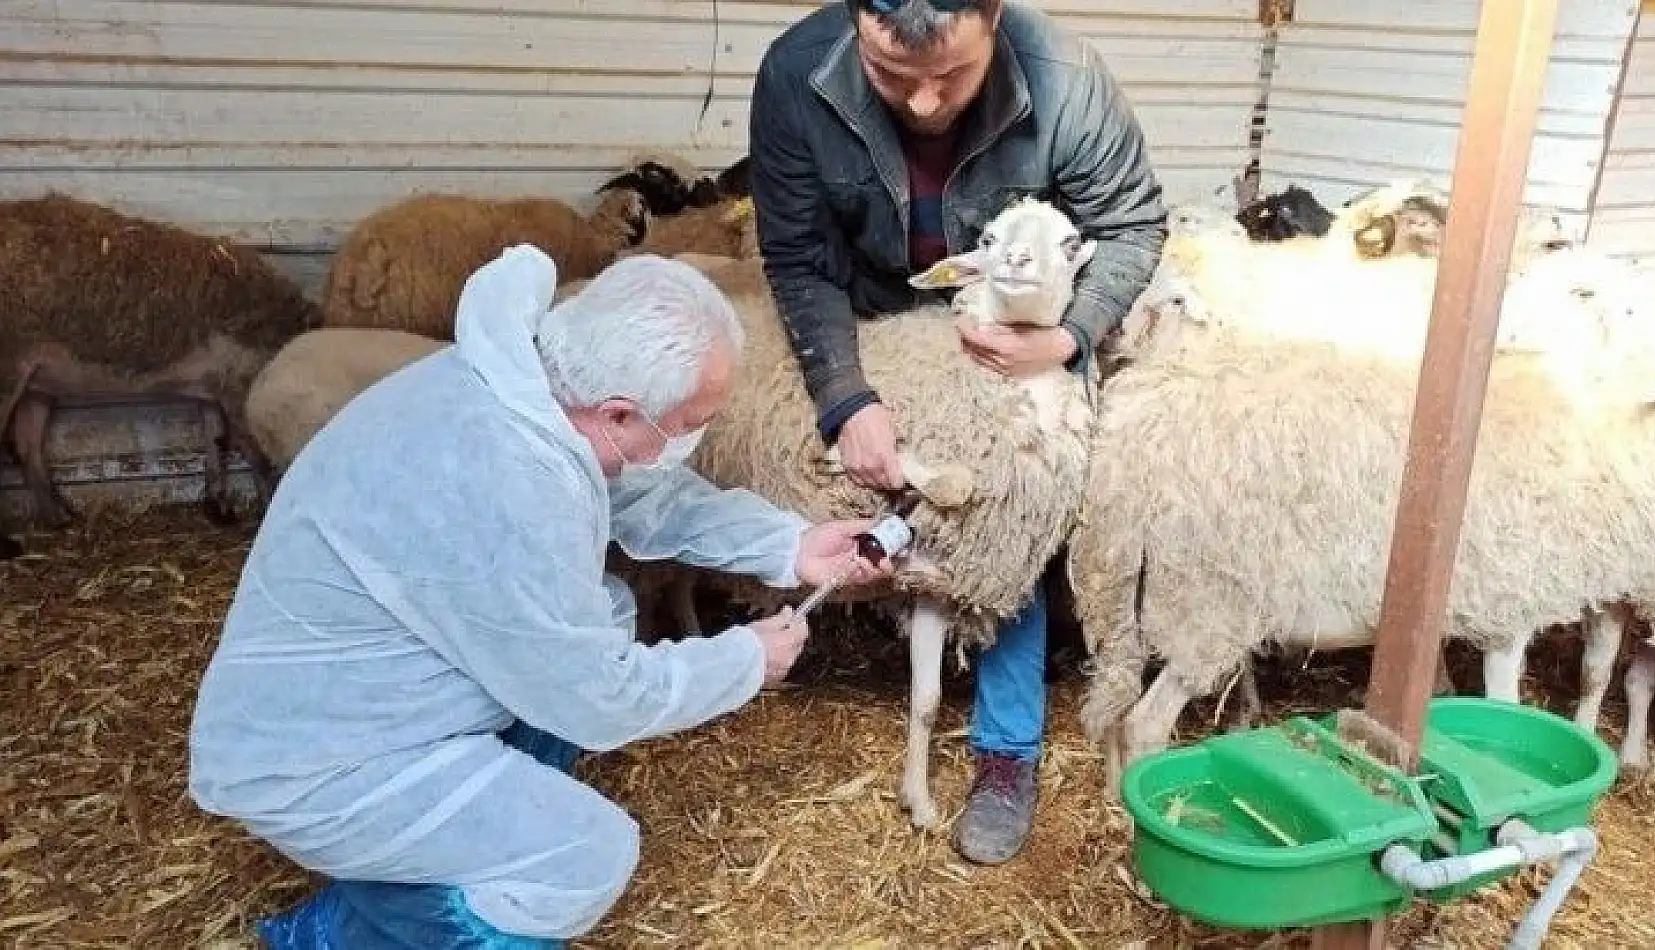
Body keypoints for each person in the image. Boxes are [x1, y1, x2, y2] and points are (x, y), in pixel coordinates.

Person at [186, 245, 897, 949]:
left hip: (362, 682)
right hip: (326, 758)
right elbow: (596, 697)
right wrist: (743, 661)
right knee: (585, 856)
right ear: (619, 412)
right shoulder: (509, 480)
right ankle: (354, 935)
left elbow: (643, 492)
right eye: (685, 427)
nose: (690, 440)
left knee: (608, 607)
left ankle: (426, 860)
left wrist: (790, 545)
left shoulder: (520, 382)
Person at [748, 0, 1168, 864]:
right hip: (876, 314)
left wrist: (1070, 334)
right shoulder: (797, 74)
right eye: (893, 76)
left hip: (1016, 325)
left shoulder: (1068, 82)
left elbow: (1131, 224)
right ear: (860, 18)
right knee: (851, 481)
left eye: (955, 74)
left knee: (1013, 515)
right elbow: (797, 254)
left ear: (995, 14)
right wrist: (843, 395)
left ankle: (1006, 751)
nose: (928, 103)